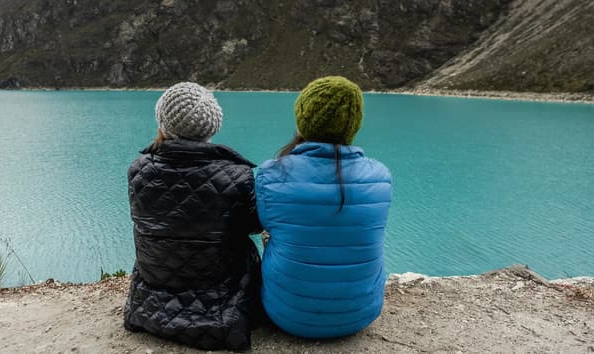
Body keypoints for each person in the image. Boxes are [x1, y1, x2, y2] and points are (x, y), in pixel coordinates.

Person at [123, 82, 262, 351]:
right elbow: (254, 226)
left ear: (163, 121)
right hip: (223, 305)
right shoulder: (237, 175)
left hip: (149, 299)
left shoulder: (138, 170)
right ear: (212, 127)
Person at [256, 76, 392, 339]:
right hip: (361, 313)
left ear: (303, 118)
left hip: (287, 314)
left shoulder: (271, 174)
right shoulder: (381, 175)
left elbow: (263, 224)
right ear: (353, 124)